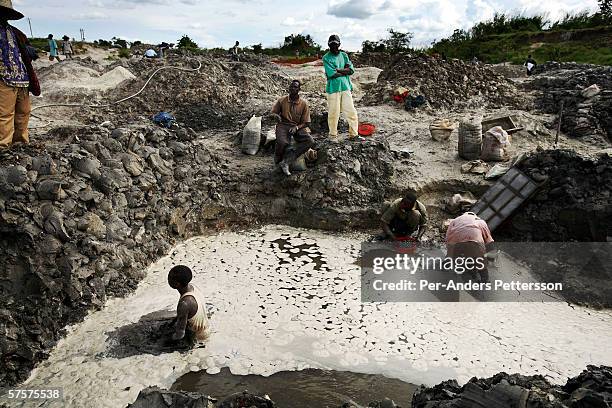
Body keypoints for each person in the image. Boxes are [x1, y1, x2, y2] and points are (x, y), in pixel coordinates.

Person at [0, 0, 40, 150]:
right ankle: (3, 146)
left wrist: (30, 50)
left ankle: (20, 143)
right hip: (3, 78)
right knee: (4, 114)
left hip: (22, 79)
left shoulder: (15, 32)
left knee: (23, 112)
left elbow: (26, 48)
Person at [271, 79, 313, 176]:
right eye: (291, 87)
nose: (292, 89)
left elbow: (306, 122)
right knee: (283, 142)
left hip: (297, 126)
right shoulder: (282, 100)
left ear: (299, 89)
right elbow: (273, 113)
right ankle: (278, 158)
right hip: (283, 125)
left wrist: (297, 128)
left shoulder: (303, 104)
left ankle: (287, 161)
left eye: (295, 87)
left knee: (310, 141)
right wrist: (276, 116)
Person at [323, 34, 358, 140]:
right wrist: (344, 71)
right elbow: (331, 74)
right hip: (333, 89)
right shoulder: (326, 58)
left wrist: (338, 70)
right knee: (334, 113)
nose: (334, 46)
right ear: (328, 45)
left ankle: (354, 134)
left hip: (345, 87)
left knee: (351, 111)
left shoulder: (344, 55)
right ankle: (333, 135)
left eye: (336, 44)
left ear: (339, 44)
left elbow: (351, 70)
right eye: (331, 44)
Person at [445, 211, 494, 283]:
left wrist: (449, 249)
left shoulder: (455, 220)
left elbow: (448, 235)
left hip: (455, 239)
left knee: (453, 254)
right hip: (474, 239)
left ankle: (446, 264)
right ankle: (485, 279)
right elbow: (489, 240)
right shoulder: (480, 221)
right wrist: (490, 257)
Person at [168, 265, 210, 342]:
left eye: (170, 277)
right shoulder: (192, 287)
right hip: (205, 328)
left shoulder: (184, 304)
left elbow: (180, 334)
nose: (168, 278)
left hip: (198, 337)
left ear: (177, 284)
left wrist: (166, 339)